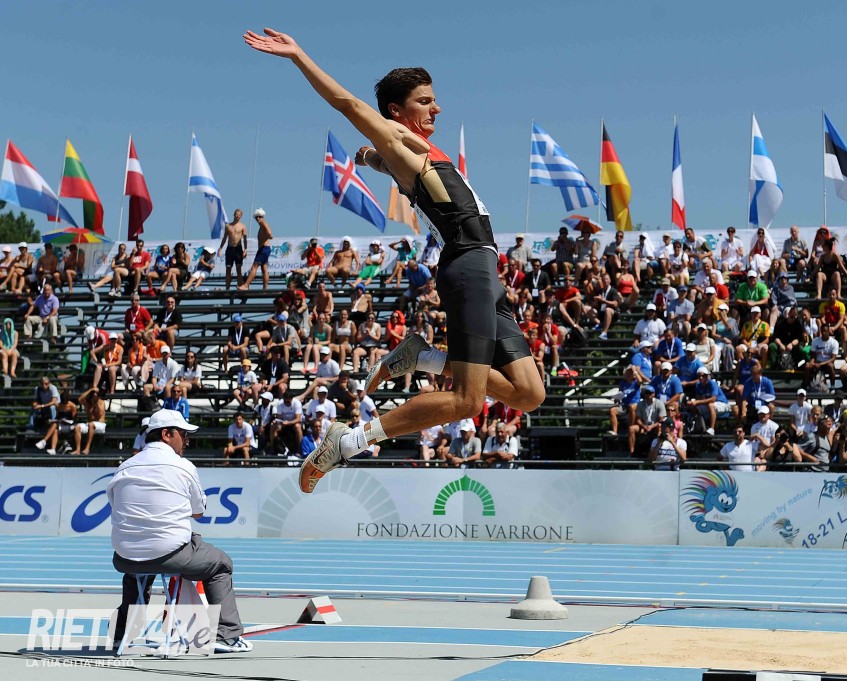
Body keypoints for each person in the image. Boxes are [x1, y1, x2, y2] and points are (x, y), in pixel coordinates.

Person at [245, 30, 545, 491]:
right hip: (468, 266)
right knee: (468, 401)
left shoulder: (414, 151)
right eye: (425, 101)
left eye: (434, 100)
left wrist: (369, 158)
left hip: (486, 269)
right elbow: (348, 104)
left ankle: (422, 357)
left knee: (528, 392)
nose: (437, 108)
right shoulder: (399, 142)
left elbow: (386, 158)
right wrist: (299, 56)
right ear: (396, 112)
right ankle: (348, 441)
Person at [107, 409, 251, 653]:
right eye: (183, 434)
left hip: (124, 557)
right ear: (166, 434)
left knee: (137, 568)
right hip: (170, 553)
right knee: (221, 564)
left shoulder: (124, 467)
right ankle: (226, 635)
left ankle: (122, 634)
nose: (187, 440)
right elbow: (199, 512)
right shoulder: (183, 466)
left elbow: (116, 505)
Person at [239, 208, 274, 290]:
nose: (258, 218)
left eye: (259, 217)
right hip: (265, 249)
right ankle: (265, 288)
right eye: (256, 217)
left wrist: (268, 236)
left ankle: (246, 285)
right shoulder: (262, 225)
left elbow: (269, 233)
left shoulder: (263, 223)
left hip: (264, 248)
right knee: (264, 268)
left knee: (254, 266)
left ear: (262, 216)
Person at [218, 209, 249, 290]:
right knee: (228, 269)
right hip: (230, 249)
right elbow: (224, 238)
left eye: (239, 214)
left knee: (238, 269)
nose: (237, 216)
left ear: (241, 216)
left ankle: (240, 287)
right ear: (234, 215)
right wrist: (220, 248)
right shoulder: (228, 226)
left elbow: (245, 239)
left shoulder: (243, 226)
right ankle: (227, 288)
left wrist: (245, 249)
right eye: (236, 214)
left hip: (238, 249)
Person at [71, 387, 106, 455]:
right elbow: (80, 399)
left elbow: (100, 414)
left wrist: (96, 402)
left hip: (100, 424)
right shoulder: (87, 403)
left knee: (91, 424)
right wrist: (91, 390)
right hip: (90, 424)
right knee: (77, 427)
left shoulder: (101, 402)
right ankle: (78, 449)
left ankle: (87, 448)